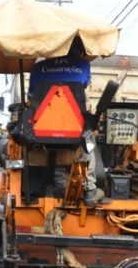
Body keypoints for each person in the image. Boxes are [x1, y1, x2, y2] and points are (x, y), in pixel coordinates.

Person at [28, 41, 106, 206]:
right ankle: (90, 189)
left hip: (41, 132)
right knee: (89, 143)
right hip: (74, 131)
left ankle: (33, 187)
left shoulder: (37, 68)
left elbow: (31, 100)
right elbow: (80, 88)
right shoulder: (83, 66)